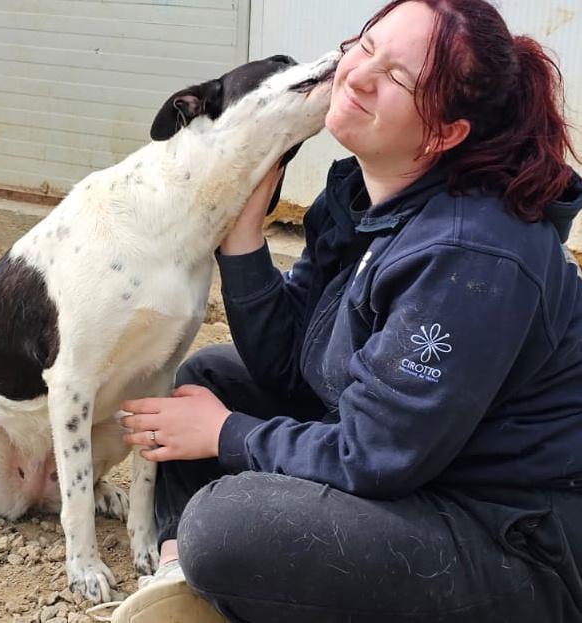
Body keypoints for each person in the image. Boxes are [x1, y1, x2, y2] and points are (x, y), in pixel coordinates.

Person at [108, 1, 582, 621]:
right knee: (209, 380)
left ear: (444, 133)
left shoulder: (472, 255)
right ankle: (182, 582)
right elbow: (290, 366)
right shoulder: (363, 194)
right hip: (418, 468)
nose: (358, 74)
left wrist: (227, 434)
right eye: (366, 45)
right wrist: (243, 239)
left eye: (398, 77)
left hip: (504, 532)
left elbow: (377, 456)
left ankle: (215, 571)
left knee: (226, 524)